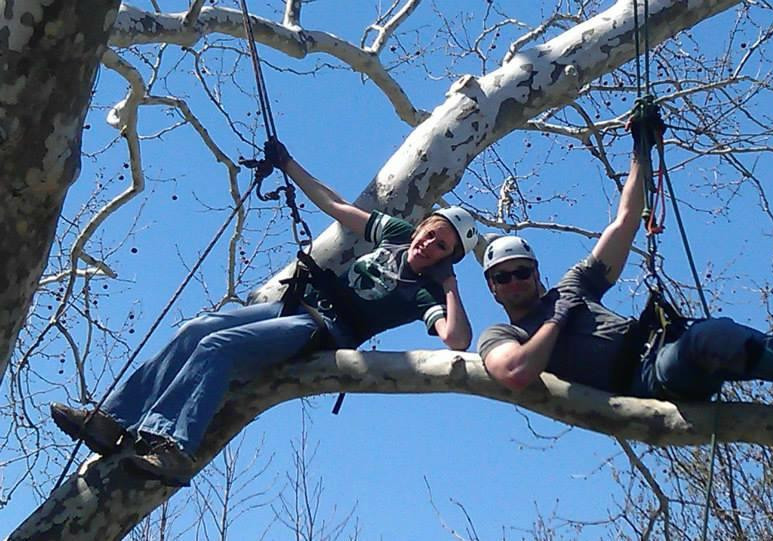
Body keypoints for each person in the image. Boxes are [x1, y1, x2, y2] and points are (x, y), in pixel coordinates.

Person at [51, 138, 478, 485]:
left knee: (220, 346)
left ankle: (175, 446)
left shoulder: (424, 292)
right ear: (421, 226)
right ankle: (115, 419)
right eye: (430, 233)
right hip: (293, 305)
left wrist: (449, 285)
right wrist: (289, 163)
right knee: (195, 328)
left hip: (324, 331)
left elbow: (457, 340)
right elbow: (336, 207)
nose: (428, 245)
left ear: (447, 257)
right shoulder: (397, 235)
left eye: (441, 247)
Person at [476, 107, 773, 422]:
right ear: (493, 288)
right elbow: (515, 372)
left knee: (731, 336)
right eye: (503, 277)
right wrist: (557, 318)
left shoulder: (575, 285)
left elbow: (625, 222)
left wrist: (641, 149)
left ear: (537, 273)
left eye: (522, 271)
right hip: (643, 381)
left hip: (660, 349)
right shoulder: (503, 335)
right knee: (710, 338)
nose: (514, 280)